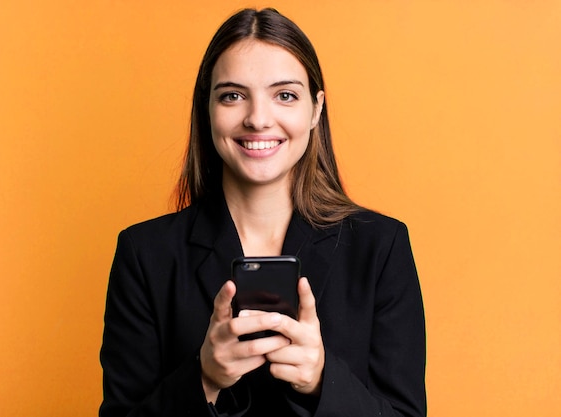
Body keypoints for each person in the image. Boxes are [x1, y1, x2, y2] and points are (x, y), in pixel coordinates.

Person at [100, 7, 426, 417]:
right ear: (208, 109)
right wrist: (204, 377)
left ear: (315, 109)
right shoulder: (145, 253)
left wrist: (322, 380)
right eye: (232, 95)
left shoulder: (380, 247)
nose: (257, 119)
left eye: (285, 95)